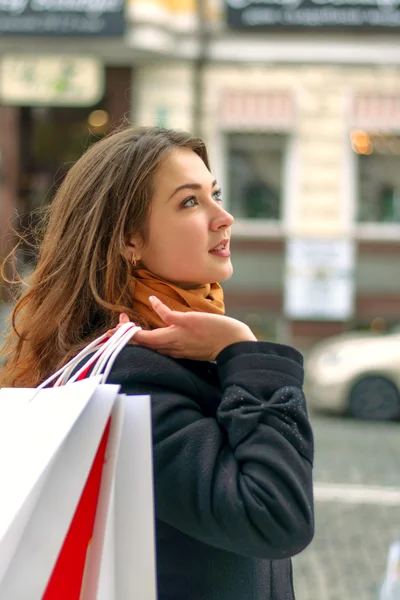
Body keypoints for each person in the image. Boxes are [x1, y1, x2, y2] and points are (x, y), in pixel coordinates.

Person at [0, 126, 314, 600]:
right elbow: (274, 517)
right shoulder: (132, 379)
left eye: (215, 194)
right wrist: (246, 351)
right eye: (190, 202)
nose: (223, 217)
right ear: (129, 239)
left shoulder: (176, 354)